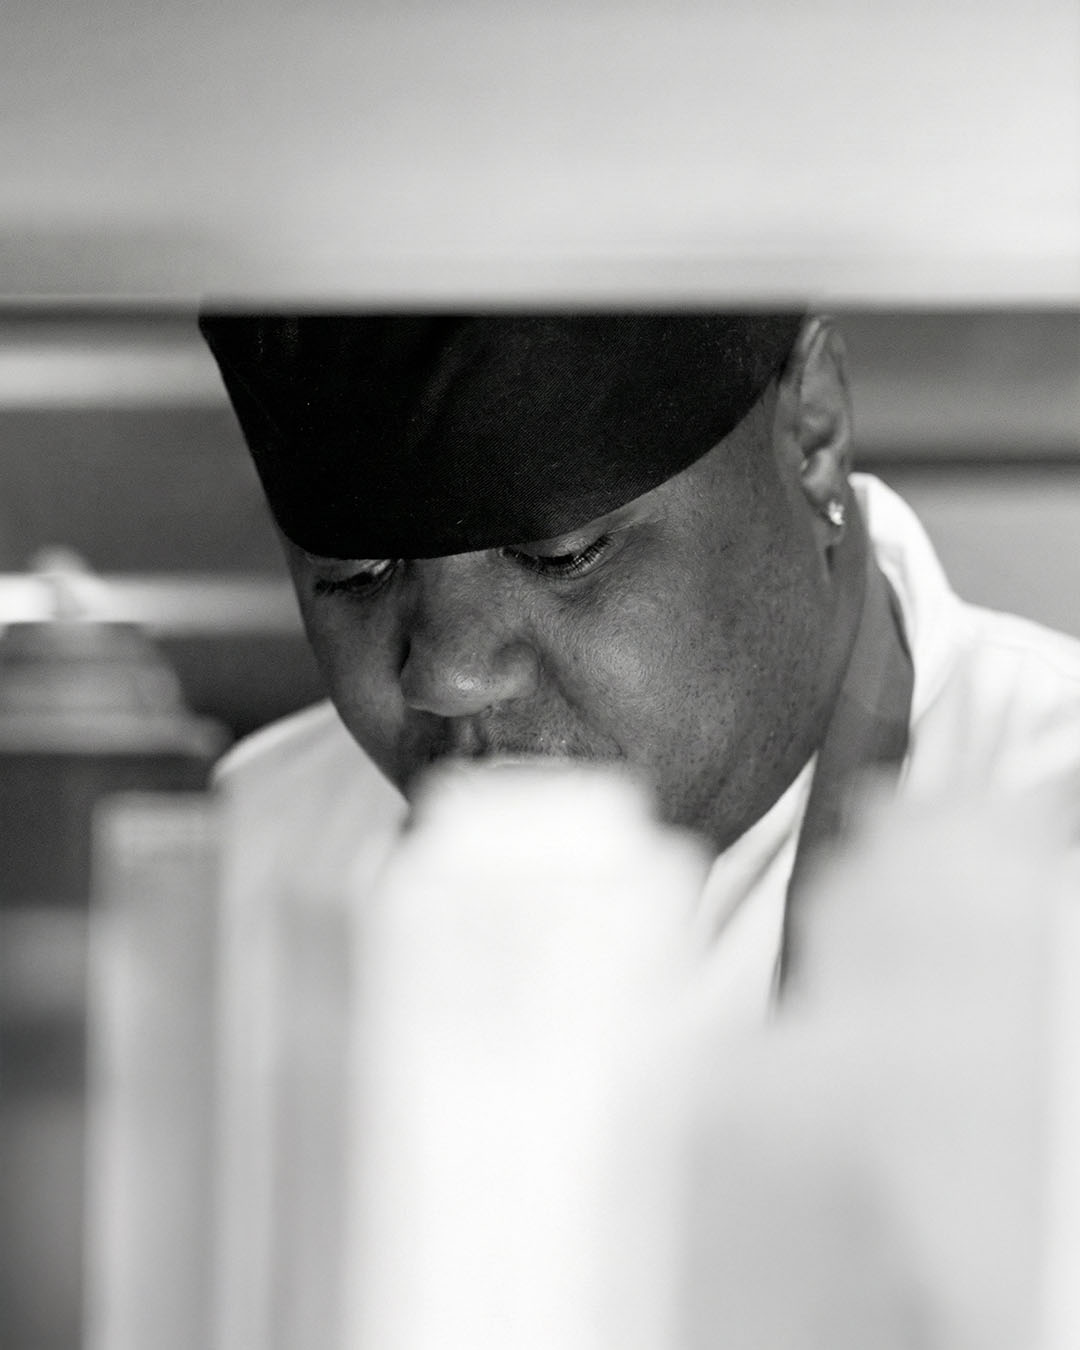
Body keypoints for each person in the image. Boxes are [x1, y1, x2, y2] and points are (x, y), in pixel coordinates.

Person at [199, 311, 1080, 1022]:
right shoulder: (257, 855)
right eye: (356, 574)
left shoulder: (1057, 849)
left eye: (562, 555)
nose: (449, 676)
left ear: (812, 434)